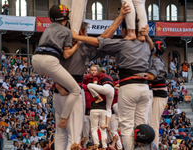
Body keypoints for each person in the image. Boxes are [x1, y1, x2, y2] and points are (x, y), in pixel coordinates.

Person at [53, 4, 130, 150]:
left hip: (58, 92)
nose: (87, 36)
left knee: (60, 133)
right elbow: (105, 37)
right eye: (86, 32)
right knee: (74, 136)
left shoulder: (58, 44)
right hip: (73, 91)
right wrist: (120, 17)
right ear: (80, 32)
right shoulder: (82, 47)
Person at [72, 15, 153, 150]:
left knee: (127, 126)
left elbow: (99, 41)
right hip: (144, 88)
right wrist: (146, 36)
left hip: (128, 85)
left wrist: (77, 36)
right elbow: (153, 48)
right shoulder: (146, 45)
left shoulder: (122, 43)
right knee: (141, 124)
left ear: (123, 31)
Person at [32, 4, 81, 129]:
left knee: (55, 70)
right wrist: (77, 45)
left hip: (35, 59)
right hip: (50, 61)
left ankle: (58, 84)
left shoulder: (47, 29)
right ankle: (64, 119)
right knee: (76, 90)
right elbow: (66, 54)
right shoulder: (67, 31)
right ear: (66, 19)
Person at [147, 38, 168, 148]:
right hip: (154, 94)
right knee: (149, 121)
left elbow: (150, 76)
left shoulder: (157, 61)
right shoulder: (152, 59)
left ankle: (153, 147)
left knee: (153, 123)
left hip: (159, 95)